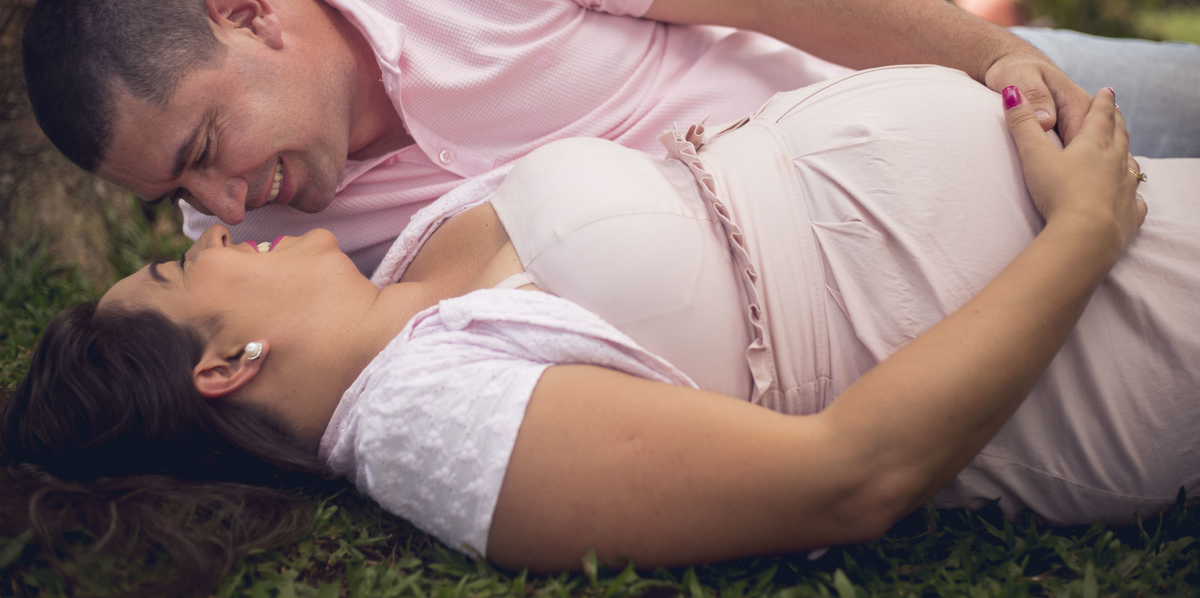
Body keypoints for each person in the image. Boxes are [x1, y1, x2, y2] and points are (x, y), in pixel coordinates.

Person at [5, 65, 1196, 575]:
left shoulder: (399, 274)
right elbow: (850, 475)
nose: (205, 236)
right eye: (176, 274)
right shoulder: (429, 426)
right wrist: (1082, 232)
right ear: (227, 366)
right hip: (1111, 315)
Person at [21, 0, 1200, 274]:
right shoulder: (260, 255)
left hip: (949, 89)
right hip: (886, 239)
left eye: (203, 152)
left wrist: (995, 60)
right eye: (175, 196)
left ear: (244, 13)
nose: (218, 209)